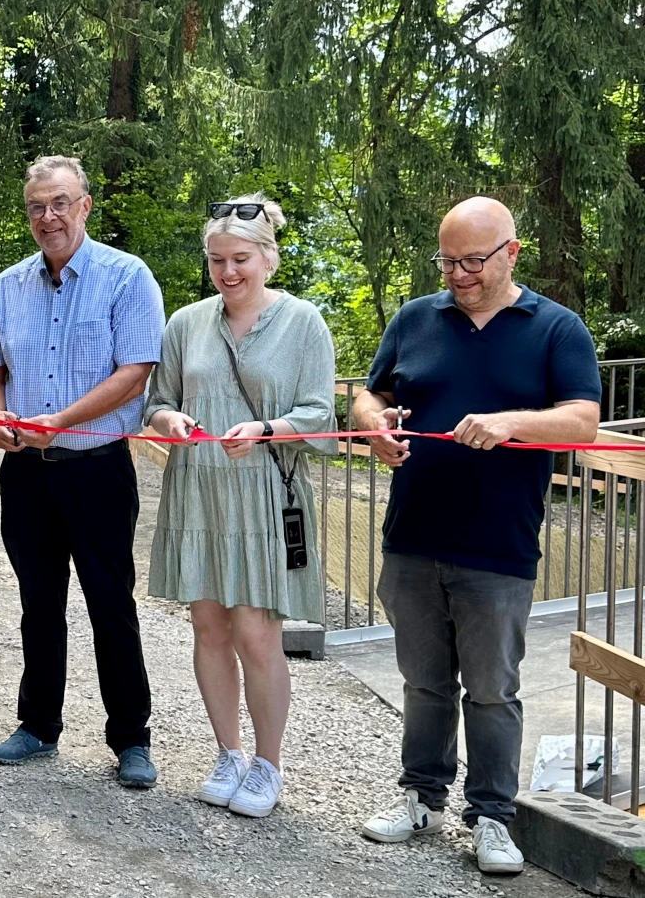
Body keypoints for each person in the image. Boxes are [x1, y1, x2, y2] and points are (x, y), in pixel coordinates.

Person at [355, 197, 600, 873]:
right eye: (448, 260)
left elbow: (581, 421)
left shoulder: (556, 328)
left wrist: (511, 422)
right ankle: (420, 795)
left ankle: (493, 816)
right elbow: (367, 395)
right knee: (424, 682)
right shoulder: (415, 318)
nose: (458, 274)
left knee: (492, 690)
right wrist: (376, 427)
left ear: (511, 253)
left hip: (499, 546)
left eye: (472, 261)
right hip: (411, 536)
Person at [0, 155, 165, 786]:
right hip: (27, 473)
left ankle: (130, 737)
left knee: (111, 602)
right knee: (38, 602)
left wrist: (59, 420)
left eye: (59, 203)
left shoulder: (127, 277)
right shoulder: (7, 286)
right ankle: (37, 725)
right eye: (36, 206)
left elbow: (134, 373)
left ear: (84, 206)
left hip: (99, 468)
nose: (47, 217)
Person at [144, 194, 336, 816]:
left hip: (263, 491)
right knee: (209, 626)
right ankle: (227, 752)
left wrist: (267, 430)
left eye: (241, 259)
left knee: (257, 632)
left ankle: (268, 764)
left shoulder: (304, 322)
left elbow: (322, 419)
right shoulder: (186, 323)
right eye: (218, 260)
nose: (229, 272)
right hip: (198, 486)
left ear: (268, 259)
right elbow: (155, 402)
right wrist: (169, 417)